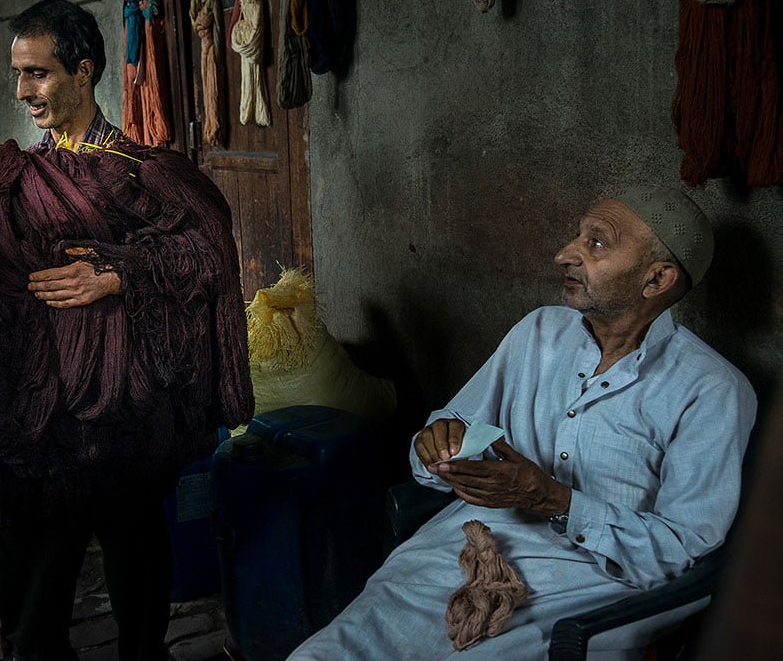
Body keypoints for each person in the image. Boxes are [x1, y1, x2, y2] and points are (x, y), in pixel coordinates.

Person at [288, 187, 756, 661]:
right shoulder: (539, 332)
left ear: (656, 279)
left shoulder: (711, 389)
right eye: (578, 236)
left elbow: (681, 550)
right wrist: (440, 444)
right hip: (466, 546)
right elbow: (455, 424)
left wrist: (551, 499)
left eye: (596, 243)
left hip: (590, 586)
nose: (564, 254)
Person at [0, 0, 252, 661]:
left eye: (39, 73)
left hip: (128, 405)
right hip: (48, 405)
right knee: (30, 534)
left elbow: (210, 255)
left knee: (133, 536)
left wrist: (117, 274)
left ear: (84, 72)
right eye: (18, 74)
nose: (23, 92)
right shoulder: (22, 180)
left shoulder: (142, 171)